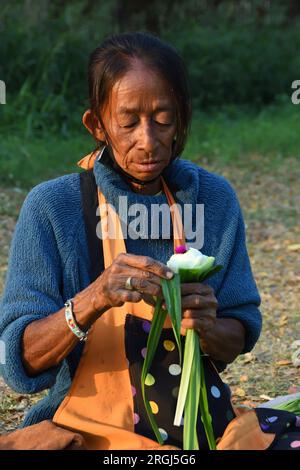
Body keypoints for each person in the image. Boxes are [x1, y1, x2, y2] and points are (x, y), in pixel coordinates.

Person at [0, 32, 298, 450]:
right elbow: (20, 362)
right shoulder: (53, 207)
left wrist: (209, 326)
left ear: (181, 117)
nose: (149, 140)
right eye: (128, 122)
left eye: (163, 118)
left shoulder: (213, 199)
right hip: (90, 434)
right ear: (97, 125)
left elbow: (239, 333)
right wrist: (94, 298)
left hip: (203, 433)